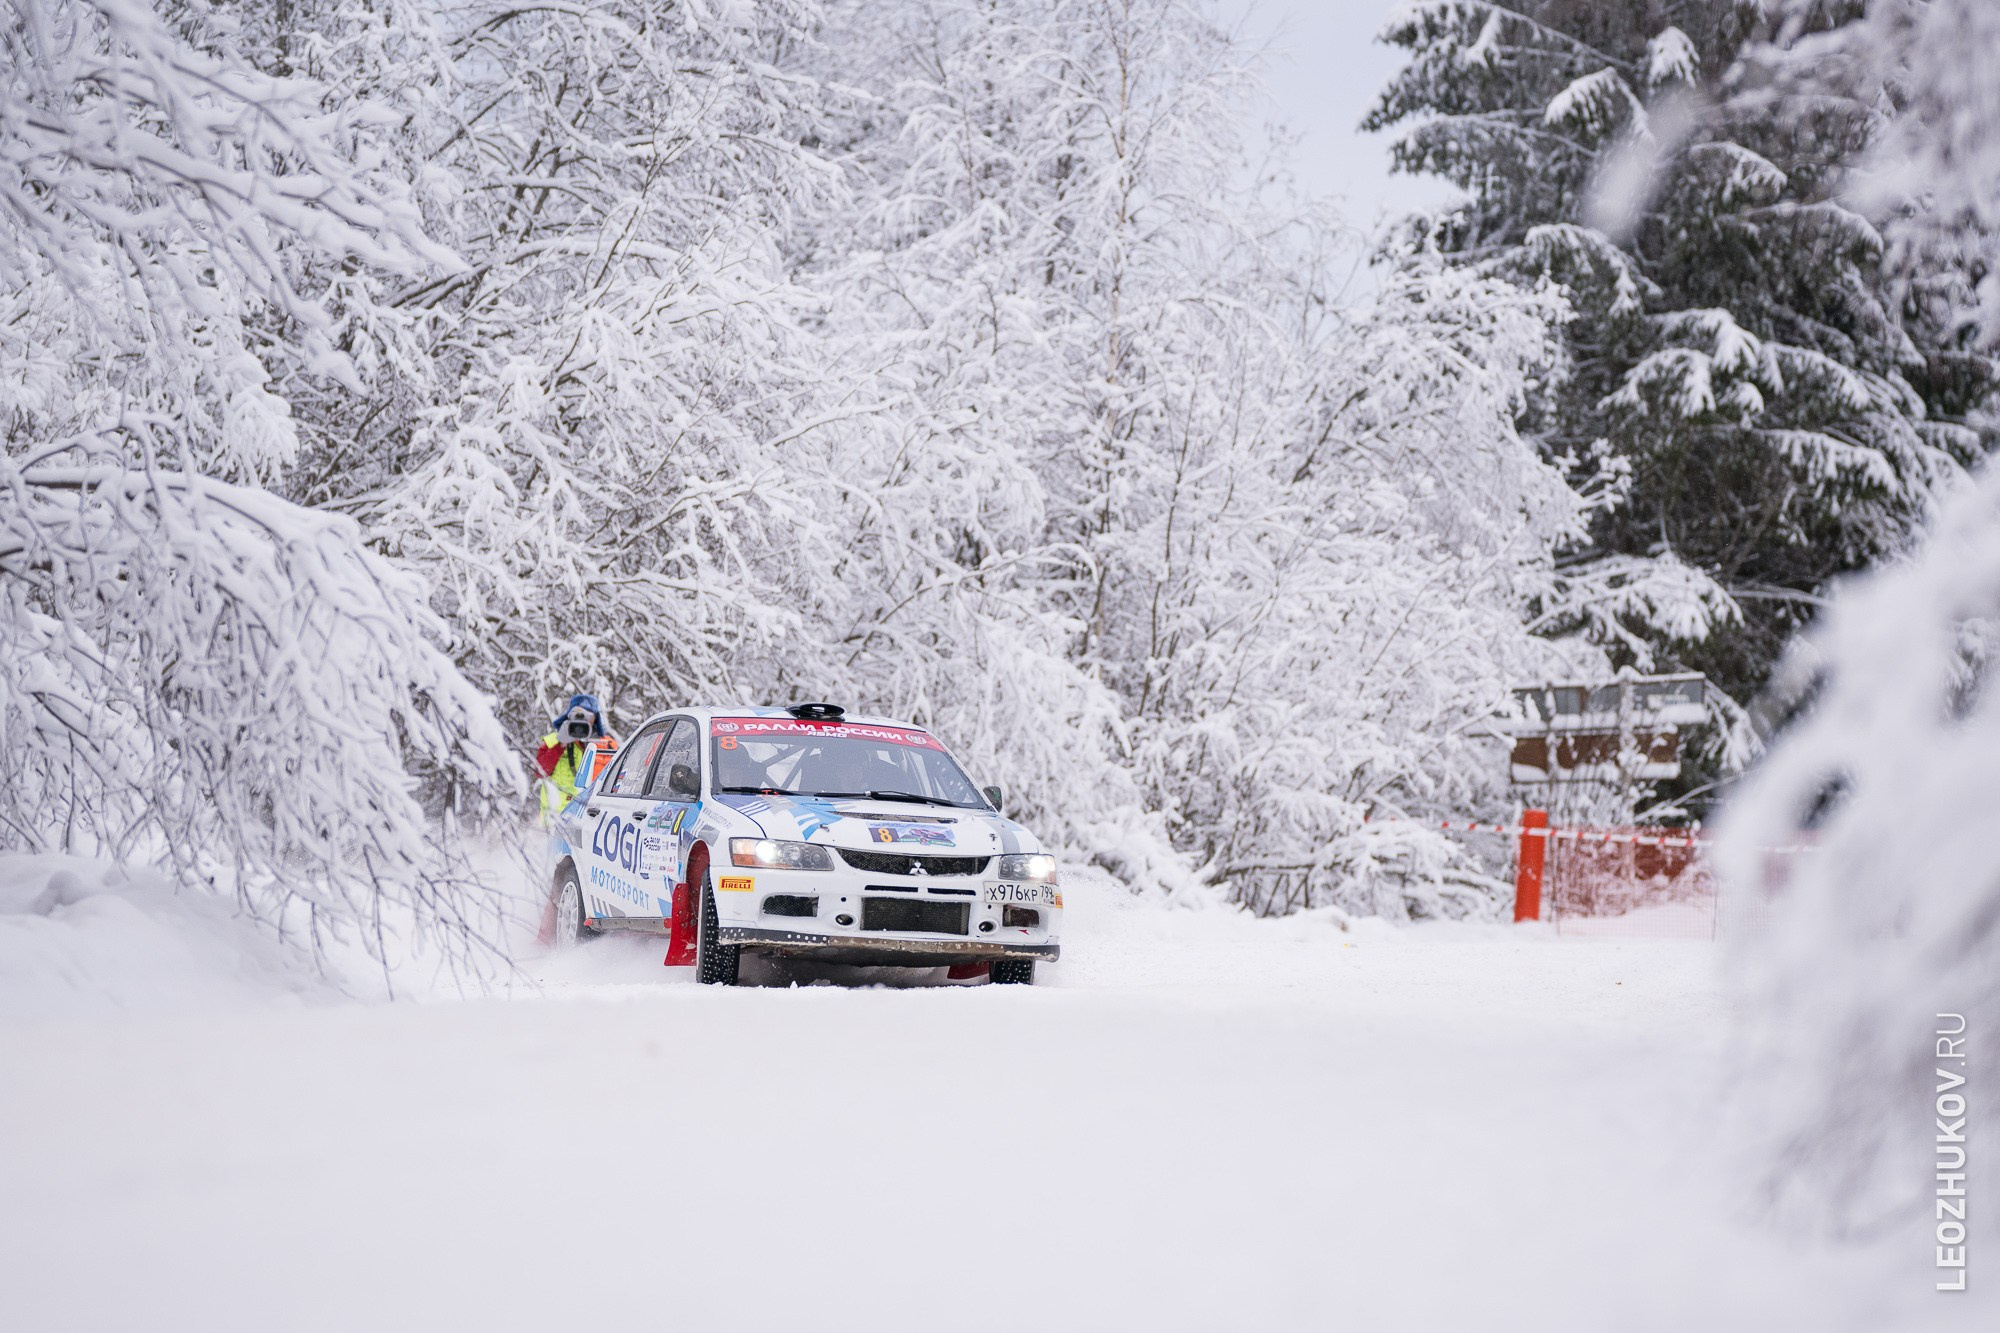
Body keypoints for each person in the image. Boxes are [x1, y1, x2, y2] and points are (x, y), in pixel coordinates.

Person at [536, 693, 618, 822]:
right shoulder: (553, 741)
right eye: (577, 714)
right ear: (569, 715)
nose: (582, 721)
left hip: (592, 819)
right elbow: (540, 772)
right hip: (556, 820)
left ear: (596, 719)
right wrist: (561, 745)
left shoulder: (608, 745)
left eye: (588, 716)